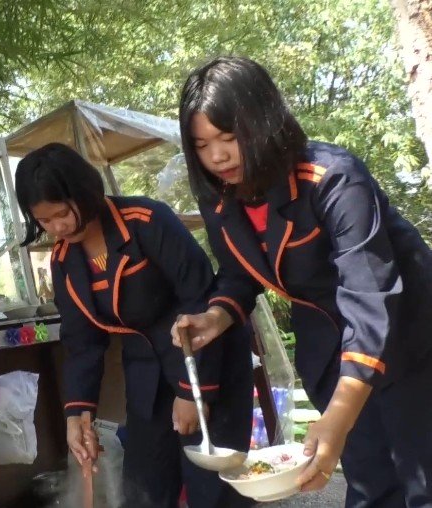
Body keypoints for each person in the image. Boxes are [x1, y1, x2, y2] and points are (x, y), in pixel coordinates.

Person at [174, 56, 432, 507]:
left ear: (265, 122)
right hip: (329, 339)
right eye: (201, 144)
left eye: (230, 138)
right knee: (370, 480)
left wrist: (336, 418)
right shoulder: (220, 201)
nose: (217, 156)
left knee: (421, 474)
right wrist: (217, 316)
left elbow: (370, 296)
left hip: (408, 332)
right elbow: (239, 270)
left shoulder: (332, 178)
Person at [15, 142, 254, 507]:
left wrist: (194, 392)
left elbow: (201, 298)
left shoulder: (146, 220)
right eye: (45, 221)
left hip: (206, 359)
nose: (58, 227)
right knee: (144, 487)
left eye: (62, 213)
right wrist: (77, 416)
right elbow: (83, 342)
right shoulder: (64, 261)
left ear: (84, 192)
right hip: (146, 373)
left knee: (213, 488)